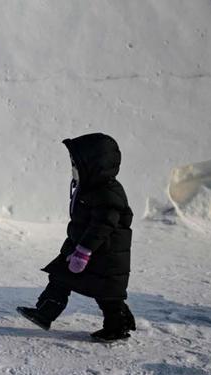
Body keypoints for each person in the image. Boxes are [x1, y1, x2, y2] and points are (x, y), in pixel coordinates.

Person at [17, 133, 136, 342]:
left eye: (76, 162)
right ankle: (44, 314)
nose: (72, 166)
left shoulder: (107, 193)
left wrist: (84, 251)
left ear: (94, 164)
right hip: (84, 248)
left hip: (104, 254)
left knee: (107, 294)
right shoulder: (89, 187)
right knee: (60, 276)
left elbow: (103, 225)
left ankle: (117, 326)